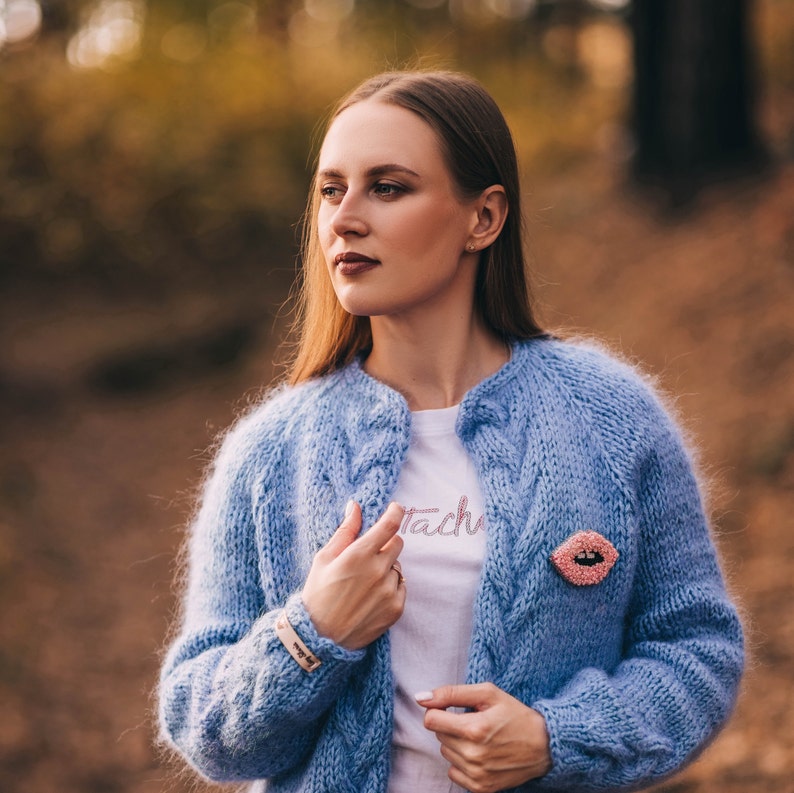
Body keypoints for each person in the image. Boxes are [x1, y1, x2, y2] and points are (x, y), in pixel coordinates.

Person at [158, 70, 743, 793]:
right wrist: (310, 635)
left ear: (484, 217)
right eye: (331, 189)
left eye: (389, 187)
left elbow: (697, 649)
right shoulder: (269, 453)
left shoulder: (610, 419)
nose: (345, 217)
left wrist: (555, 738)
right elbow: (200, 722)